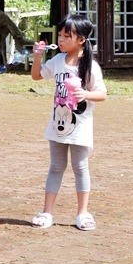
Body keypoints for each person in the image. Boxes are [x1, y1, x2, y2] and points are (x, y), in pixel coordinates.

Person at [30, 14, 107, 231]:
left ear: (81, 39)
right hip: (58, 124)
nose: (61, 40)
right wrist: (37, 56)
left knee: (80, 167)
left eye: (67, 36)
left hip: (80, 126)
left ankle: (82, 214)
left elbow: (102, 94)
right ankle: (47, 213)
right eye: (60, 35)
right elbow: (37, 76)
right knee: (56, 167)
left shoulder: (89, 66)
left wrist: (86, 94)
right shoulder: (57, 61)